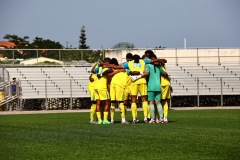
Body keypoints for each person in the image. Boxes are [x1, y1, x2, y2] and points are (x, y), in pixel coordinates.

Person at [145, 54, 168, 124]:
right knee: (158, 103)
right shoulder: (159, 67)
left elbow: (146, 73)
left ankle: (153, 119)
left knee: (151, 103)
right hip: (158, 87)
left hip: (151, 87)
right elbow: (165, 74)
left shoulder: (148, 65)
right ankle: (161, 118)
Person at [108, 58, 129, 124]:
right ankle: (123, 120)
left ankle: (112, 120)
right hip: (120, 85)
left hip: (112, 84)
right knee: (121, 102)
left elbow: (109, 75)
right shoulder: (125, 69)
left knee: (113, 102)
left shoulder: (112, 69)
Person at [93, 58, 112, 124]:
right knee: (107, 102)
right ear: (107, 62)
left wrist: (100, 65)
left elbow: (93, 71)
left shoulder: (99, 68)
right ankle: (105, 120)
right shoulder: (106, 68)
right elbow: (110, 70)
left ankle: (99, 120)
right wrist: (102, 74)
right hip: (102, 87)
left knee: (98, 103)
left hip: (96, 87)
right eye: (109, 63)